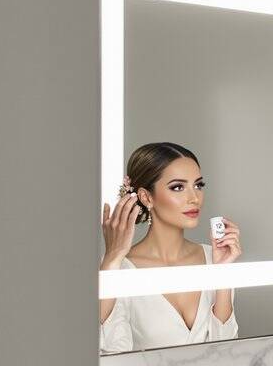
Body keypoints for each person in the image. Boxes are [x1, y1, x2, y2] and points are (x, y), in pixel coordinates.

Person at [100, 142, 241, 352]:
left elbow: (227, 350)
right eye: (178, 187)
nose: (194, 198)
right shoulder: (121, 270)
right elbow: (111, 353)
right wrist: (111, 259)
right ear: (146, 197)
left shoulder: (214, 257)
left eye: (198, 185)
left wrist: (222, 272)